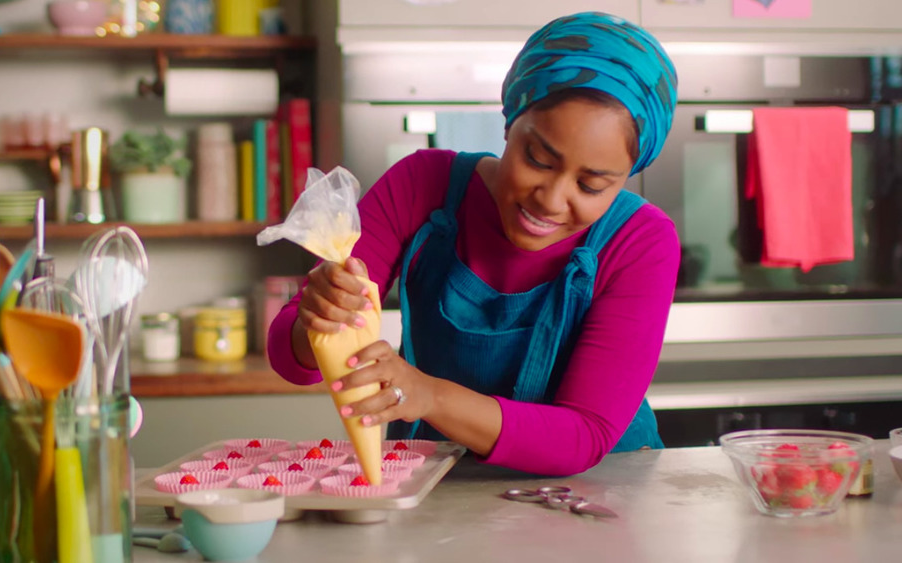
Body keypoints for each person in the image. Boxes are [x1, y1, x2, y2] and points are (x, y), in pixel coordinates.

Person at [268, 11, 679, 476]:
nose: (551, 199)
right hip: (440, 482)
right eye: (538, 159)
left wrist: (427, 394)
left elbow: (583, 437)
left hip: (601, 493)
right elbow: (292, 358)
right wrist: (319, 317)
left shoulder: (641, 241)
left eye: (591, 186)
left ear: (626, 177)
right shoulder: (422, 185)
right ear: (510, 122)